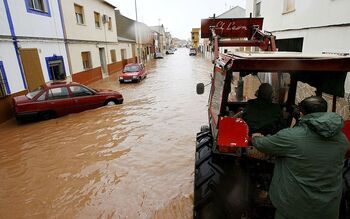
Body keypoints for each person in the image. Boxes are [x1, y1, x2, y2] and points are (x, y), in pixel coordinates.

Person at [252, 96, 348, 219]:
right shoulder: (342, 139)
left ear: (301, 114)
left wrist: (256, 137)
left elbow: (264, 145)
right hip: (328, 209)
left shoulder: (291, 137)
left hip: (294, 210)